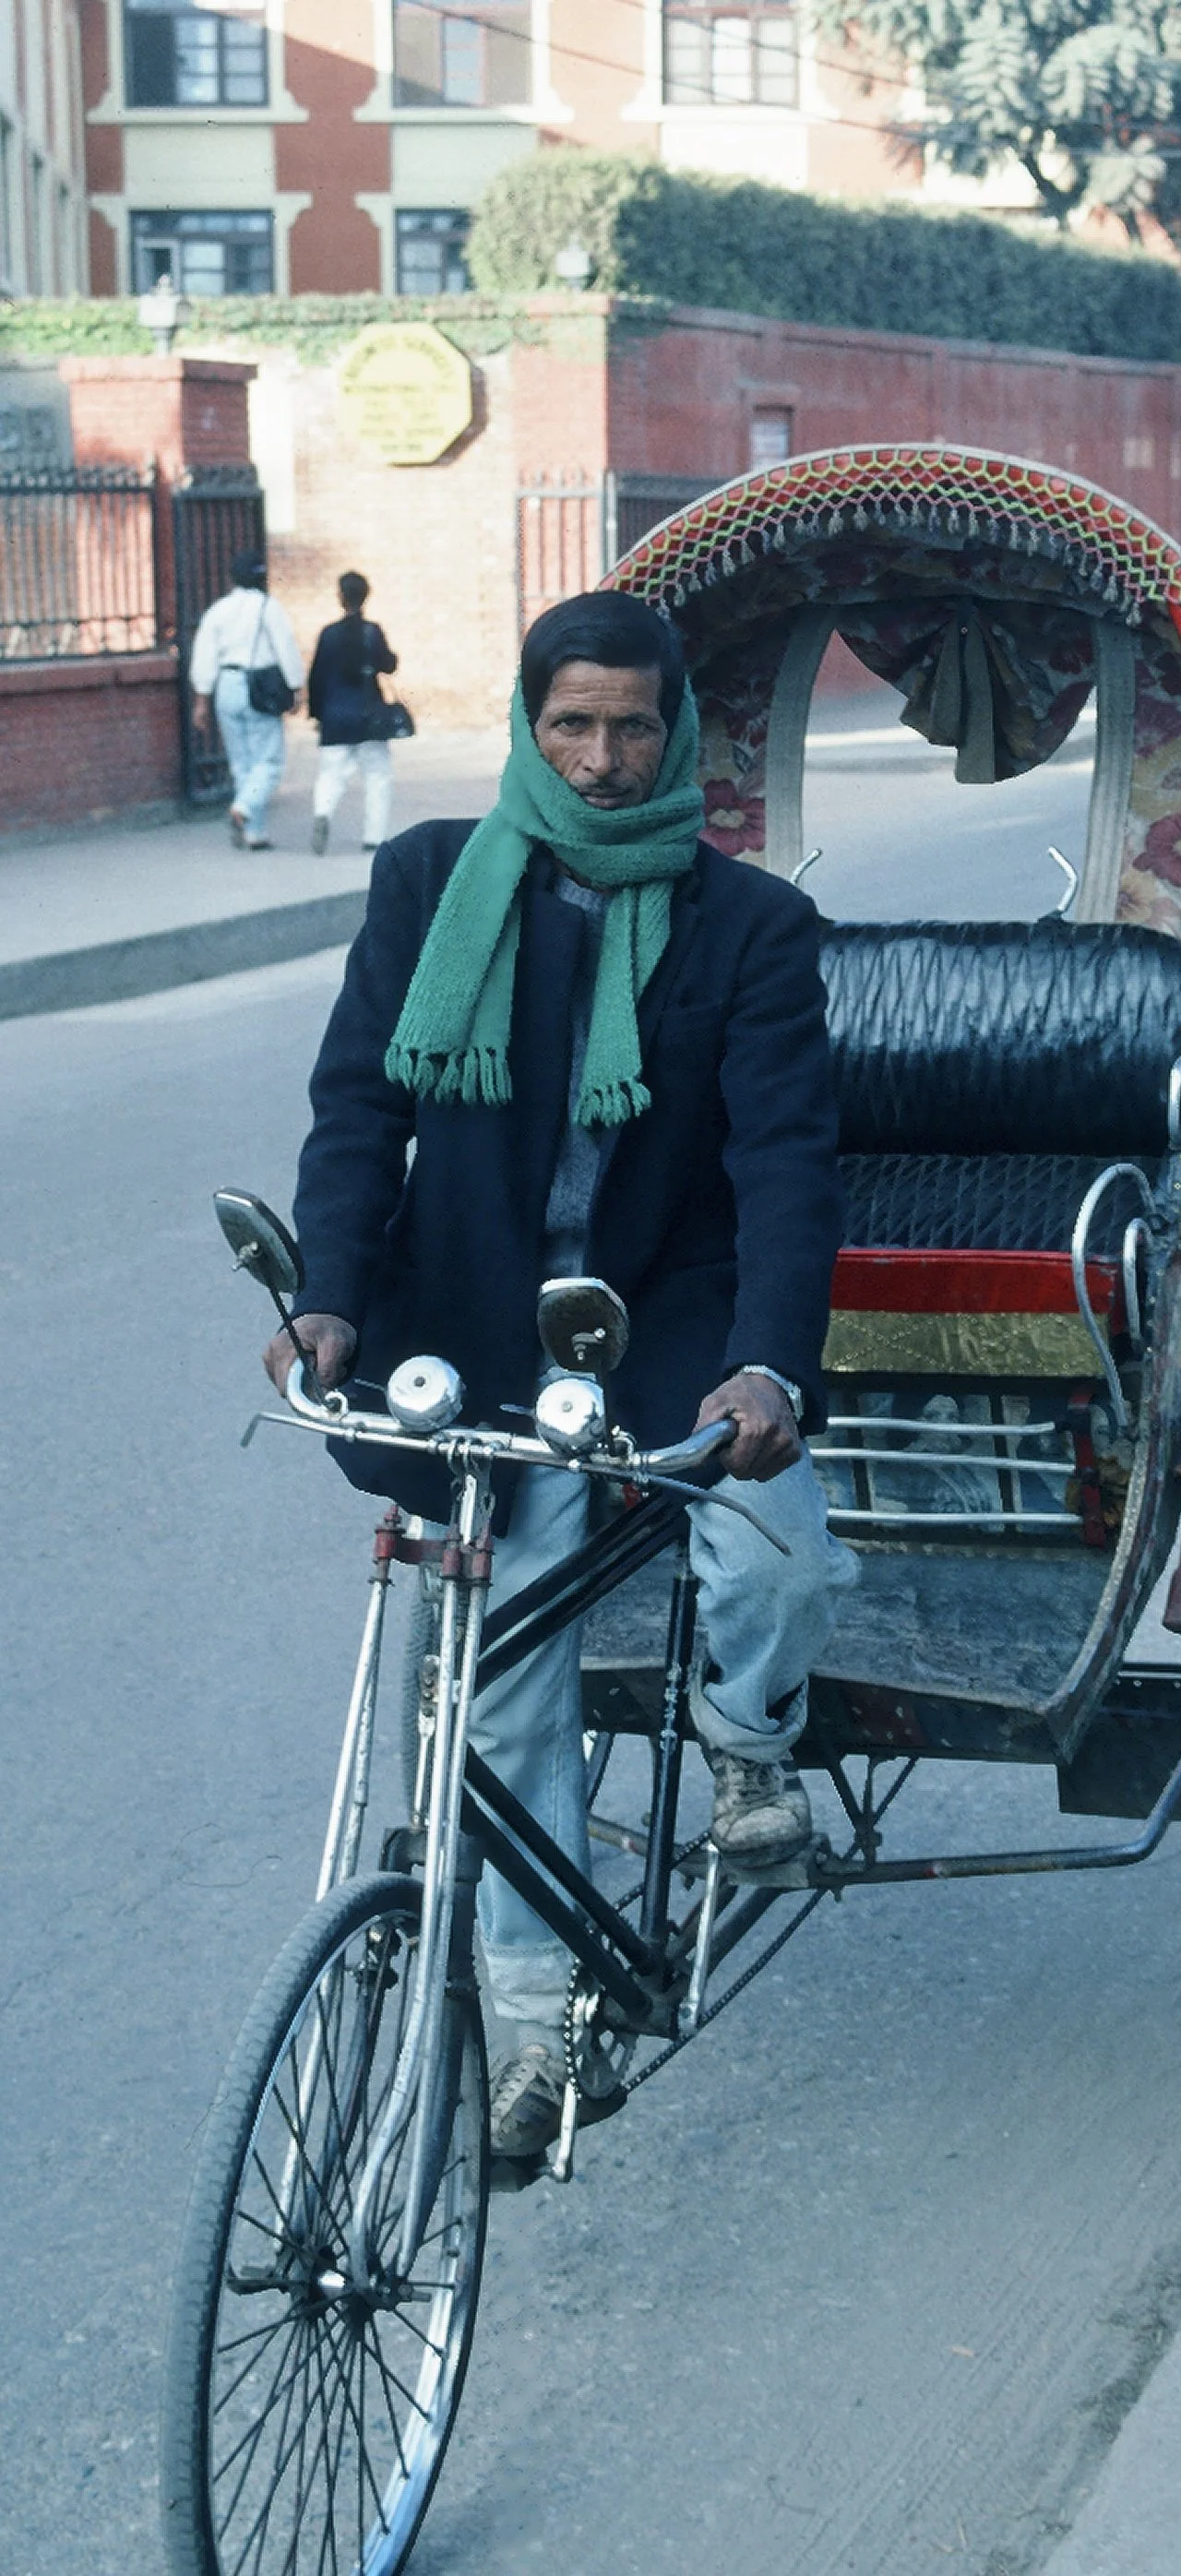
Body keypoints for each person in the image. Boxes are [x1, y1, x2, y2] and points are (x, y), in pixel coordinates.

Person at [263, 590, 856, 2165]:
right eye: (572, 725)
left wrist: (764, 1370)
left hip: (672, 1324)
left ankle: (747, 1739)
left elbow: (789, 1163)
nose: (601, 759)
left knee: (780, 1565)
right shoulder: (430, 882)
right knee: (504, 1680)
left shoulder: (752, 928)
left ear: (680, 736)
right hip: (471, 1333)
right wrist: (328, 1299)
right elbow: (352, 1114)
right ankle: (535, 2024)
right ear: (533, 725)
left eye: (634, 726)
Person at [188, 548, 304, 851]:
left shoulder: (218, 610)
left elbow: (204, 656)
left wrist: (201, 700)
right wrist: (296, 687)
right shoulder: (269, 607)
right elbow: (286, 648)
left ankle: (255, 832)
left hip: (225, 685)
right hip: (259, 688)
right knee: (269, 761)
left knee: (242, 763)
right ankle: (244, 809)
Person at [307, 570, 400, 854]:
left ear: (340, 597)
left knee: (331, 774)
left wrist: (317, 714)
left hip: (335, 715)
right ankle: (373, 838)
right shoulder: (372, 632)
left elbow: (316, 677)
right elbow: (388, 664)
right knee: (377, 776)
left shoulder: (328, 634)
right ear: (366, 597)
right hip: (368, 715)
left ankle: (323, 813)